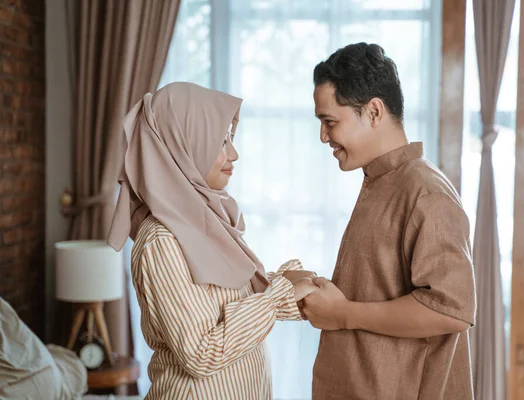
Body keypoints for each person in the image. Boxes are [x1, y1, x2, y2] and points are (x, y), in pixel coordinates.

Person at [107, 82, 317, 399]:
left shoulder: (207, 221)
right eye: (221, 141)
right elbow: (200, 353)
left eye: (231, 139)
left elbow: (224, 305)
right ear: (185, 146)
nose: (234, 153)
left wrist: (286, 288)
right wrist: (275, 298)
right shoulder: (162, 241)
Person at [300, 43, 476, 400]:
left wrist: (344, 313)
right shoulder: (381, 182)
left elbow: (451, 311)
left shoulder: (425, 192)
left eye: (329, 121)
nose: (323, 136)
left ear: (374, 111)